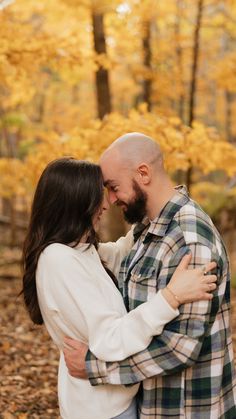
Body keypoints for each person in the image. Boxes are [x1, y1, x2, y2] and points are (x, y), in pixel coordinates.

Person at [21, 157, 217, 419]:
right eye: (98, 195)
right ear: (75, 201)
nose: (106, 203)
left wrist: (154, 208)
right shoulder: (59, 259)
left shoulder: (79, 251)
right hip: (102, 410)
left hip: (113, 400)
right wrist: (171, 297)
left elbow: (118, 252)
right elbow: (111, 338)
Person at [63, 133, 236, 418]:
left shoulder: (190, 241)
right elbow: (118, 257)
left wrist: (94, 367)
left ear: (143, 173)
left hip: (187, 408)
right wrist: (63, 242)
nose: (110, 199)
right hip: (152, 402)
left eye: (114, 187)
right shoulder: (149, 226)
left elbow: (180, 348)